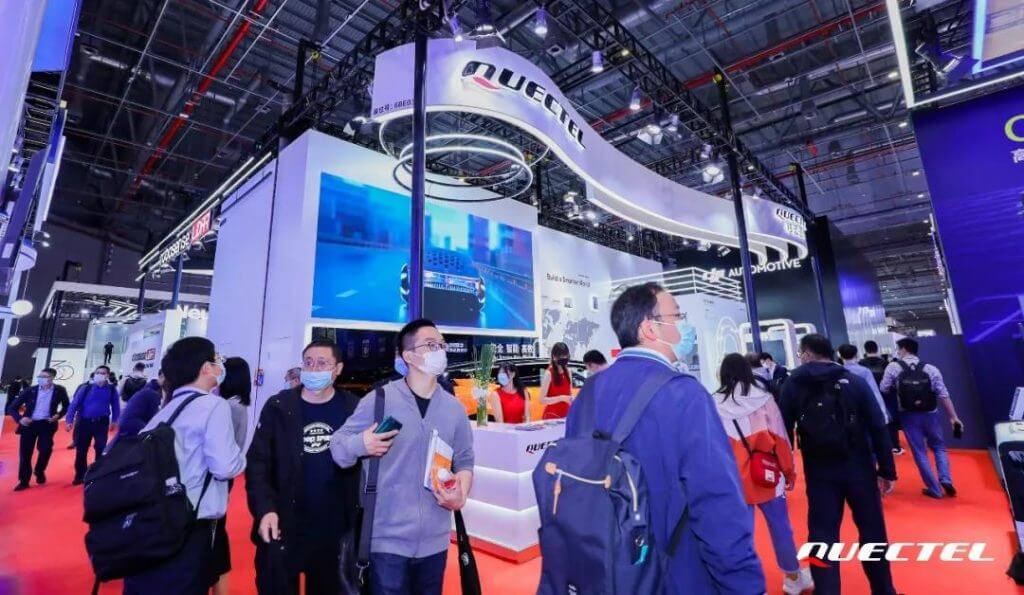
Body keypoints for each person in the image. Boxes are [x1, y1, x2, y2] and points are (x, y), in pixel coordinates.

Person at [566, 282, 764, 592]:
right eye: (677, 315)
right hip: (674, 573)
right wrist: (744, 583)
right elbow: (716, 503)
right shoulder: (684, 394)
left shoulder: (587, 393)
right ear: (649, 328)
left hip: (605, 567)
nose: (684, 324)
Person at [331, 319, 474, 595]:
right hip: (387, 542)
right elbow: (338, 448)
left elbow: (465, 459)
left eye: (441, 344)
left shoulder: (454, 408)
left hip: (436, 542)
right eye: (430, 345)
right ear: (409, 356)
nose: (439, 350)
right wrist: (362, 444)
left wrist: (461, 493)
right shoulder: (379, 399)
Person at [123, 336, 245, 594]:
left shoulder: (167, 409)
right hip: (188, 525)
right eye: (217, 359)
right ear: (206, 368)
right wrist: (242, 457)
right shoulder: (212, 405)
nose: (220, 365)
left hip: (154, 523)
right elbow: (225, 466)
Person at [779, 334, 897, 595]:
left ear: (806, 354)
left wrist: (786, 468)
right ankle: (884, 589)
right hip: (859, 467)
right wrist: (887, 470)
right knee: (872, 532)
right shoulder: (854, 381)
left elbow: (783, 431)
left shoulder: (793, 384)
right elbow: (878, 425)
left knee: (822, 536)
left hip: (819, 471)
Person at [247, 340, 361, 594]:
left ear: (338, 369)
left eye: (322, 363)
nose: (314, 369)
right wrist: (265, 509)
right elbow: (258, 464)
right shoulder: (279, 406)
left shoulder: (353, 408)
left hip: (333, 528)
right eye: (308, 363)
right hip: (284, 522)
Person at [712, 354, 813, 595]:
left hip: (731, 478)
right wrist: (789, 471)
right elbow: (780, 439)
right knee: (781, 529)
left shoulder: (712, 403)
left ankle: (746, 586)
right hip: (766, 475)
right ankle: (793, 578)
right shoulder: (764, 399)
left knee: (739, 535)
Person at [879, 337, 963, 499]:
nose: (898, 352)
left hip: (908, 414)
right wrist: (954, 417)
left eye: (898, 349)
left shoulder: (893, 367)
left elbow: (884, 388)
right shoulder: (931, 368)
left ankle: (934, 489)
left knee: (920, 452)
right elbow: (943, 394)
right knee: (939, 447)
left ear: (904, 349)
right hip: (931, 413)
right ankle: (945, 479)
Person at [209, 357, 252, 595]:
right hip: (223, 475)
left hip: (217, 477)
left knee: (214, 536)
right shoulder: (236, 404)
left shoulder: (228, 407)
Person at [6, 368, 69, 491]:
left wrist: (58, 415)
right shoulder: (30, 390)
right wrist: (20, 419)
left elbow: (66, 406)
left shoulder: (59, 390)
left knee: (45, 449)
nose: (41, 378)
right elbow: (12, 407)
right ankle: (24, 481)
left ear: (52, 378)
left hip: (47, 424)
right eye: (40, 376)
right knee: (25, 453)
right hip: (29, 425)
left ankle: (39, 470)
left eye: (45, 376)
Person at [65, 365, 120, 485]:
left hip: (101, 423)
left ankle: (98, 474)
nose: (100, 375)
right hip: (84, 423)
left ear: (107, 375)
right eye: (98, 372)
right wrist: (69, 420)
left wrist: (115, 420)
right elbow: (74, 404)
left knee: (100, 449)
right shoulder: (86, 388)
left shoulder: (111, 389)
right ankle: (80, 475)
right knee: (81, 450)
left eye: (103, 373)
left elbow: (116, 406)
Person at [860, 340, 902, 454]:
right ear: (877, 349)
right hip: (886, 395)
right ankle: (894, 445)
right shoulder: (886, 363)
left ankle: (874, 445)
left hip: (868, 396)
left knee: (869, 420)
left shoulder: (860, 364)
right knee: (890, 420)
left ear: (865, 350)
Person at [838, 344, 890, 426]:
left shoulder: (839, 372)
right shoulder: (864, 371)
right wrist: (883, 414)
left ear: (841, 356)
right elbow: (874, 392)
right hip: (864, 407)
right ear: (856, 355)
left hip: (846, 409)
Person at [115, 370, 164, 440]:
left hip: (126, 420)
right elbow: (151, 419)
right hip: (132, 425)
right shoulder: (152, 392)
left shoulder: (149, 387)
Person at [538, 342, 573, 419]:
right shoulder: (549, 374)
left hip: (566, 415)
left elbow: (569, 393)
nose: (564, 358)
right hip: (551, 417)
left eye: (565, 355)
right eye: (561, 356)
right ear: (554, 357)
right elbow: (542, 400)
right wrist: (561, 398)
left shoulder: (568, 371)